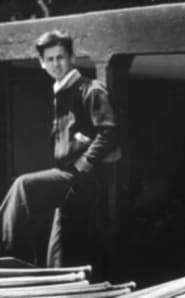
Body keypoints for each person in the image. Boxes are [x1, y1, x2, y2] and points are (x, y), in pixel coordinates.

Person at [0, 30, 120, 267]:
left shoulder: (90, 89)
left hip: (83, 177)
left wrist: (85, 161)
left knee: (24, 186)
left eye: (61, 57)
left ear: (72, 58)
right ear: (42, 63)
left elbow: (110, 132)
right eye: (50, 59)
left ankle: (7, 255)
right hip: (69, 178)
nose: (56, 64)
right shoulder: (61, 92)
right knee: (59, 250)